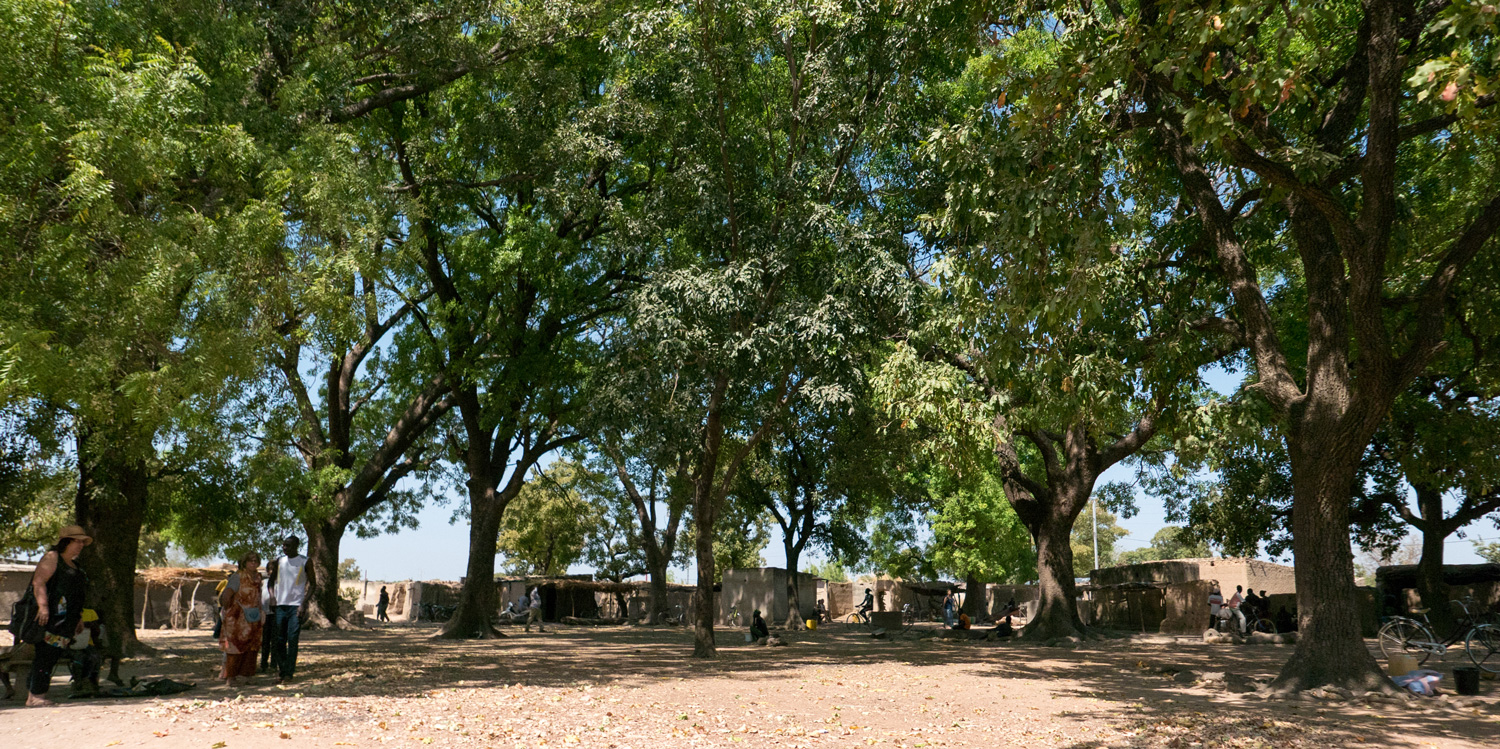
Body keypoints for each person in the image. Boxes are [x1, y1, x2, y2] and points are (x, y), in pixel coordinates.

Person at [25, 524, 92, 707]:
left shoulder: (75, 566)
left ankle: (38, 693)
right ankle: (35, 696)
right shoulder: (52, 558)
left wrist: (78, 618)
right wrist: (43, 607)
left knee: (52, 656)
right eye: (76, 541)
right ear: (65, 542)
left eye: (82, 542)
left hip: (66, 622)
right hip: (49, 620)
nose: (79, 545)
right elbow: (39, 582)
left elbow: (74, 594)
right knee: (45, 655)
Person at [266, 535, 310, 684]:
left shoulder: (305, 561)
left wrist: (304, 603)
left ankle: (289, 673)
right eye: (284, 545)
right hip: (280, 606)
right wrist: (272, 597)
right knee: (279, 640)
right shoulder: (279, 562)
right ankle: (282, 670)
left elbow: (314, 584)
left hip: (295, 606)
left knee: (292, 639)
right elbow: (270, 583)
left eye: (289, 545)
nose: (285, 548)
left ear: (296, 546)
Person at [219, 550, 266, 688]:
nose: (253, 563)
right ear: (244, 562)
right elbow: (227, 594)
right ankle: (231, 677)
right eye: (250, 560)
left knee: (253, 646)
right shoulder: (237, 577)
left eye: (256, 560)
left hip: (253, 616)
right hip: (237, 617)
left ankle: (247, 675)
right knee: (235, 646)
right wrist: (228, 611)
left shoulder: (257, 577)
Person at [67, 608, 104, 697]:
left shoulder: (90, 612)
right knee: (79, 657)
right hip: (69, 643)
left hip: (87, 643)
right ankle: (78, 682)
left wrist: (92, 626)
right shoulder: (67, 612)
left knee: (94, 656)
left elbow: (96, 633)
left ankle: (89, 681)